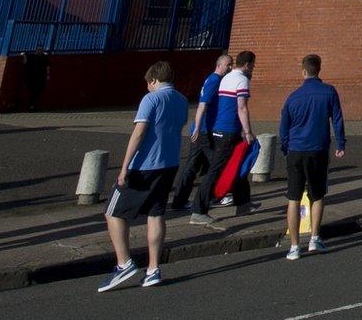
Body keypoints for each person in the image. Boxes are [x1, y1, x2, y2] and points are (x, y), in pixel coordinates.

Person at [97, 61, 189, 291]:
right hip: (170, 163)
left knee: (112, 212)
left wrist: (124, 167)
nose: (147, 87)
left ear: (154, 80)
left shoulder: (151, 99)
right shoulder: (181, 100)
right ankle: (153, 269)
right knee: (156, 214)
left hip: (144, 165)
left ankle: (123, 263)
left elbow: (139, 133)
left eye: (148, 83)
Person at [278, 54, 346, 260]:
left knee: (293, 198)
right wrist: (340, 143)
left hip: (296, 151)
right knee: (317, 195)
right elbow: (337, 118)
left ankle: (294, 246)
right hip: (318, 149)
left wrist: (285, 148)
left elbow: (284, 128)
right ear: (319, 69)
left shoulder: (293, 97)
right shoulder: (329, 92)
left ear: (303, 71)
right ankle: (315, 238)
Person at [195, 49, 253, 214]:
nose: (253, 70)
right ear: (248, 65)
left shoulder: (226, 78)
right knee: (216, 170)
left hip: (221, 128)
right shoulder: (242, 80)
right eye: (253, 66)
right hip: (229, 130)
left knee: (237, 164)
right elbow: (241, 107)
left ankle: (243, 204)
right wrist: (247, 131)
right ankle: (198, 210)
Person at [176, 54, 229, 223]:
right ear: (219, 65)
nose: (229, 68)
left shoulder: (211, 79)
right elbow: (202, 105)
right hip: (204, 131)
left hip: (201, 130)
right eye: (228, 65)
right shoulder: (214, 80)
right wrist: (198, 127)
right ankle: (213, 196)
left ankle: (180, 199)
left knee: (192, 165)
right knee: (216, 164)